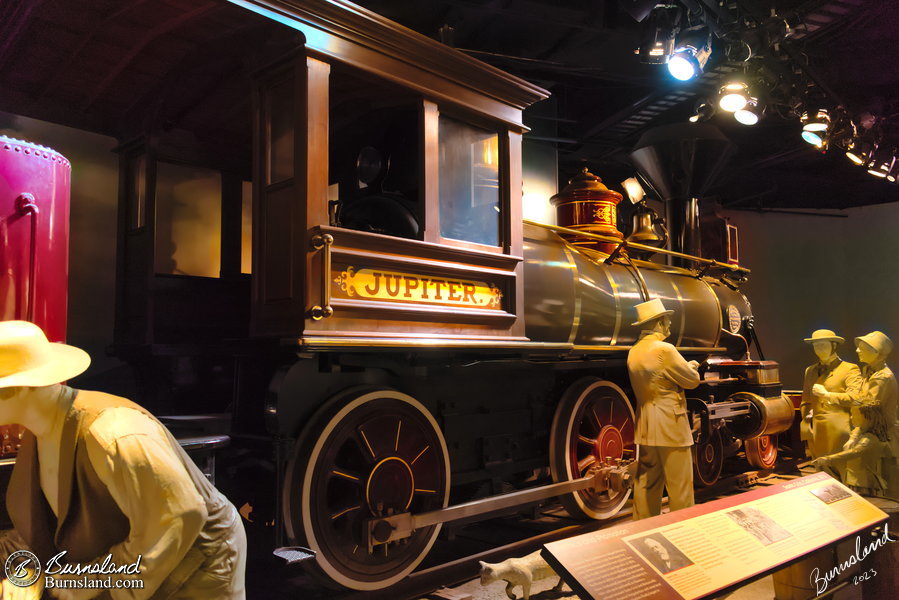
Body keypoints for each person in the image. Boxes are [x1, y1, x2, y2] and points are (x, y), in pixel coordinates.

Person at [0, 321, 246, 599]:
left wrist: (82, 585)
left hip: (192, 570)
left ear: (18, 388)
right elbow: (51, 525)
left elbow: (179, 516)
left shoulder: (115, 433)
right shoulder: (37, 434)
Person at [627, 298, 701, 520]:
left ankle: (642, 526)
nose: (669, 324)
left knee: (648, 480)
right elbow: (691, 380)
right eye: (667, 320)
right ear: (658, 322)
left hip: (646, 425)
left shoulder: (634, 351)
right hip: (671, 425)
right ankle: (683, 528)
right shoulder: (664, 349)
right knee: (680, 483)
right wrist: (692, 367)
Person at [814, 331, 897, 498]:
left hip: (880, 441)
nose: (857, 351)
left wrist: (852, 438)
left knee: (877, 494)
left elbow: (869, 416)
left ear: (876, 352)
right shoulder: (869, 373)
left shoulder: (882, 379)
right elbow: (860, 404)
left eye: (862, 348)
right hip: (865, 433)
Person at [799, 330, 861, 465]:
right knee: (820, 472)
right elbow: (806, 399)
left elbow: (856, 398)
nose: (819, 349)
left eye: (823, 345)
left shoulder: (849, 369)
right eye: (816, 345)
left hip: (840, 431)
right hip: (816, 431)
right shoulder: (810, 370)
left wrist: (827, 395)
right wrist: (806, 417)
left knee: (840, 472)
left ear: (834, 346)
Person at [813, 404, 888, 496]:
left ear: (867, 418)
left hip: (863, 482)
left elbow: (854, 452)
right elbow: (856, 433)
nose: (851, 417)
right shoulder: (860, 434)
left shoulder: (869, 439)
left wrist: (829, 459)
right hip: (854, 479)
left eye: (855, 415)